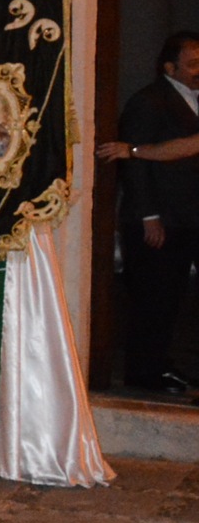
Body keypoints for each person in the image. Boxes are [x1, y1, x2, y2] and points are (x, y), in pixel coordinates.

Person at [101, 31, 199, 394]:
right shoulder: (149, 101)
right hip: (161, 218)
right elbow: (138, 169)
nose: (198, 71)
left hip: (187, 217)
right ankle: (144, 373)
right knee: (153, 298)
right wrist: (148, 215)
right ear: (169, 67)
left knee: (173, 299)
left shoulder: (192, 99)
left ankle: (163, 365)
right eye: (192, 64)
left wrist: (135, 150)